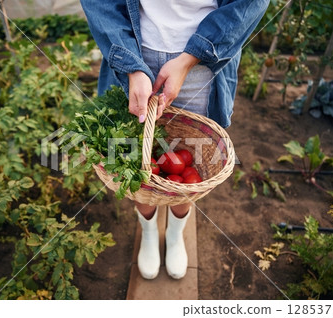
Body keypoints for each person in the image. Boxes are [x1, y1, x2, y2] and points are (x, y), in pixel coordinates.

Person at [80, 0, 270, 280]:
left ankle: (175, 232)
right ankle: (147, 230)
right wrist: (132, 66)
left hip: (205, 61)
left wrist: (189, 59)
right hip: (135, 46)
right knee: (135, 164)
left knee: (190, 165)